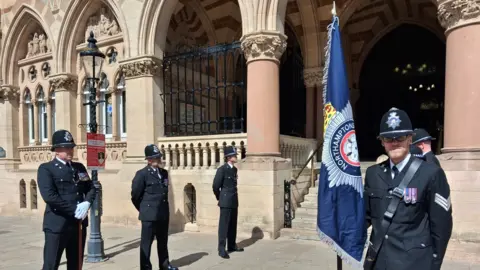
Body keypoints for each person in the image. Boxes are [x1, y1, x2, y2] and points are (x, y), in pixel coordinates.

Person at [363, 108, 452, 270]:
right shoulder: (373, 173)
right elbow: (366, 216)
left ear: (410, 139)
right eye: (388, 138)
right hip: (379, 262)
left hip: (414, 263)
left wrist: (434, 264)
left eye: (400, 137)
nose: (394, 142)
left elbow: (441, 226)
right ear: (382, 141)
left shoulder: (431, 173)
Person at [37, 129, 96, 270]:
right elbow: (50, 196)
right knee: (51, 265)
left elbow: (91, 187)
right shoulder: (46, 169)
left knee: (76, 264)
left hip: (78, 224)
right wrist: (75, 209)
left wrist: (87, 202)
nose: (70, 151)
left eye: (71, 147)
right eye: (66, 147)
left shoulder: (79, 167)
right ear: (56, 149)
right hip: (57, 224)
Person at [131, 144, 178, 270]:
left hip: (162, 213)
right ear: (149, 159)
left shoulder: (164, 173)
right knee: (146, 244)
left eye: (158, 158)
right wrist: (144, 209)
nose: (158, 160)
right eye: (155, 158)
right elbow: (135, 196)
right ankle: (146, 267)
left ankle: (164, 264)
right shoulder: (141, 174)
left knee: (163, 242)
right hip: (149, 215)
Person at [212, 146, 244, 259]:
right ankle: (221, 249)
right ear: (229, 157)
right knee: (224, 226)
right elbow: (216, 186)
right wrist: (220, 198)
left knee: (232, 224)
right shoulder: (222, 169)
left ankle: (231, 245)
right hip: (225, 201)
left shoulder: (234, 170)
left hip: (234, 200)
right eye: (234, 155)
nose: (236, 157)